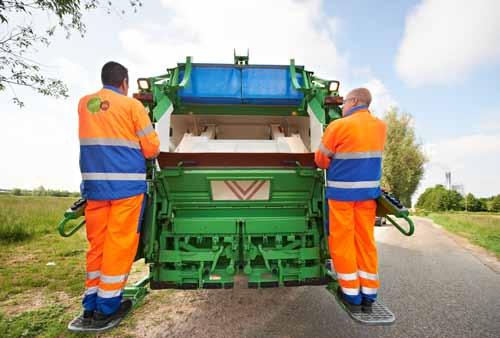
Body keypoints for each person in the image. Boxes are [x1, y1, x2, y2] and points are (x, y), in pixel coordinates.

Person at [70, 61, 160, 331]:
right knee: (118, 246)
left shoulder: (85, 104)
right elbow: (152, 149)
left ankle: (90, 307)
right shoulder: (131, 107)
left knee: (97, 247)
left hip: (95, 190)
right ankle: (107, 308)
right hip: (125, 191)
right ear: (124, 82)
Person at [315, 88, 386, 313]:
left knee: (343, 242)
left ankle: (352, 297)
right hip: (367, 197)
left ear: (354, 101)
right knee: (365, 241)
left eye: (344, 102)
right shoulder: (380, 127)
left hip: (342, 198)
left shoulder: (339, 126)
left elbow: (321, 161)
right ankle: (369, 296)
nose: (342, 106)